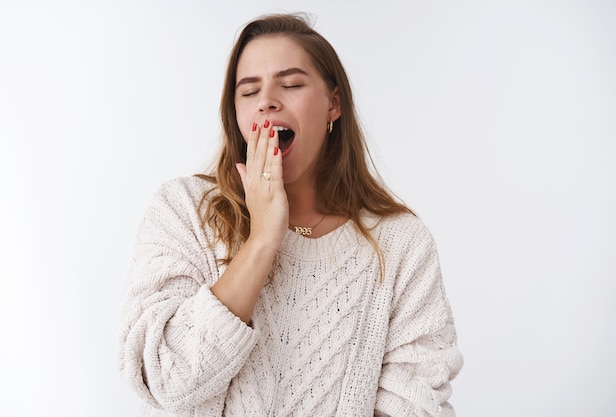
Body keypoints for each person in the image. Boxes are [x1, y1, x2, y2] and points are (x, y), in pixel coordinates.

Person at [118, 13, 463, 417]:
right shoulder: (184, 211)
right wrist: (263, 238)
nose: (267, 100)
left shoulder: (400, 243)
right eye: (249, 92)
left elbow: (417, 404)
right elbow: (165, 381)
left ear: (333, 103)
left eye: (292, 84)